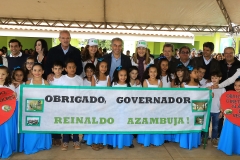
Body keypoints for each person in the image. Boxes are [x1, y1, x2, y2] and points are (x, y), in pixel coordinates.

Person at [19, 63, 52, 154]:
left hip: (43, 110)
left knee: (41, 126)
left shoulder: (46, 83)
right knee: (32, 128)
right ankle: (31, 145)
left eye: (39, 70)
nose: (37, 72)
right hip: (31, 111)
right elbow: (24, 96)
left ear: (43, 72)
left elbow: (49, 97)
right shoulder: (27, 83)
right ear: (32, 71)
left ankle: (42, 144)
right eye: (35, 70)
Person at [84, 58, 110, 151]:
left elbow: (109, 92)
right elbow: (92, 91)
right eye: (102, 66)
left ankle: (100, 141)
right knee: (95, 122)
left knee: (102, 122)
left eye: (105, 66)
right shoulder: (94, 77)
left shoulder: (108, 77)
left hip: (104, 104)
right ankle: (93, 141)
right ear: (98, 67)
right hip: (96, 103)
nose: (103, 68)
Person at [175, 65, 201, 150]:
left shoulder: (198, 84)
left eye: (197, 72)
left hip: (196, 108)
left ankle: (194, 141)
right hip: (186, 108)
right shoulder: (184, 84)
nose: (197, 74)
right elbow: (181, 97)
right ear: (189, 74)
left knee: (195, 123)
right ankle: (185, 141)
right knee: (186, 123)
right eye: (195, 72)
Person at [108, 66, 134, 149]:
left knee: (125, 125)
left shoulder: (128, 85)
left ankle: (127, 142)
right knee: (114, 125)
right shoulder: (114, 84)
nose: (123, 77)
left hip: (125, 110)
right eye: (121, 75)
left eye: (125, 75)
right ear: (117, 75)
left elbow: (130, 97)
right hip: (115, 109)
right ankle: (112, 142)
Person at [138, 64, 163, 147]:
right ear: (148, 73)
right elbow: (145, 95)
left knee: (155, 123)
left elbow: (160, 95)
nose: (153, 74)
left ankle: (155, 140)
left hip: (157, 106)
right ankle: (145, 141)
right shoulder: (146, 82)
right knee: (147, 123)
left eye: (155, 72)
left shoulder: (160, 82)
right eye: (151, 72)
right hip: (147, 106)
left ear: (157, 72)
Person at [61, 60, 83, 151]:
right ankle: (65, 141)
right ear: (65, 69)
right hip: (65, 105)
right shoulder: (62, 79)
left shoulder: (79, 79)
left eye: (73, 67)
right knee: (66, 123)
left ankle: (76, 140)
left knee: (75, 122)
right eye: (69, 67)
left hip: (76, 106)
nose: (72, 69)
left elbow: (82, 92)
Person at [203, 71, 225, 147]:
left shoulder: (222, 88)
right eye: (212, 77)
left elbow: (223, 100)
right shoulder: (208, 85)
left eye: (216, 78)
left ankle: (214, 139)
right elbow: (202, 92)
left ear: (220, 78)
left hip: (217, 110)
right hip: (208, 109)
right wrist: (208, 90)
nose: (214, 79)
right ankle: (204, 138)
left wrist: (222, 111)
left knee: (215, 127)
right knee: (206, 125)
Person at [218, 77, 240, 155]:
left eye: (239, 86)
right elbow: (227, 108)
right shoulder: (230, 95)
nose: (237, 87)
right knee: (230, 133)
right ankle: (228, 147)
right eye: (235, 85)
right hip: (231, 120)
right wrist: (222, 111)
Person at [0, 65, 17, 159]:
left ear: (7, 75)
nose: (1, 76)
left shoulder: (10, 86)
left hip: (7, 115)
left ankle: (7, 149)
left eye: (3, 74)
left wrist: (15, 95)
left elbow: (13, 100)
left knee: (6, 132)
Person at [48, 61, 64, 146]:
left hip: (62, 102)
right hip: (52, 103)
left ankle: (59, 138)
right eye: (55, 69)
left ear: (62, 69)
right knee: (53, 119)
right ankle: (54, 137)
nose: (57, 71)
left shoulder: (65, 78)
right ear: (52, 70)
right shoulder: (50, 79)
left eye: (59, 69)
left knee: (59, 120)